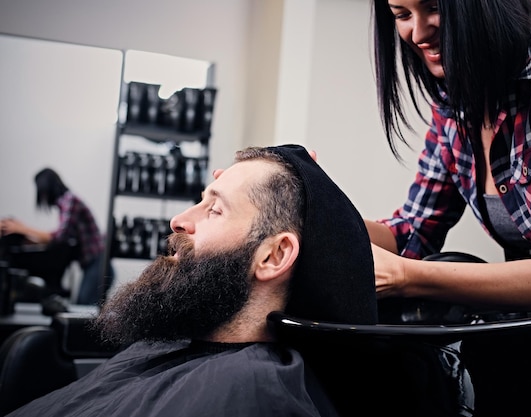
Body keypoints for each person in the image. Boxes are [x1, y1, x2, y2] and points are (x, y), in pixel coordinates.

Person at [7, 145, 378, 417]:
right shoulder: (168, 349)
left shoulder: (249, 396)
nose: (180, 220)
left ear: (274, 256)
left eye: (214, 209)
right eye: (199, 201)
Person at [365, 0, 531, 313]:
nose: (418, 33)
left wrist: (407, 277)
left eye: (434, 7)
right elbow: (412, 233)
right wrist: (311, 204)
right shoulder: (454, 108)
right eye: (402, 15)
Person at [0, 168, 114, 305]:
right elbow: (56, 240)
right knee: (85, 309)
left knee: (84, 308)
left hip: (98, 263)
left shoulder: (70, 201)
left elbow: (58, 237)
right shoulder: (65, 204)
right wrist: (24, 234)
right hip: (93, 264)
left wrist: (22, 228)